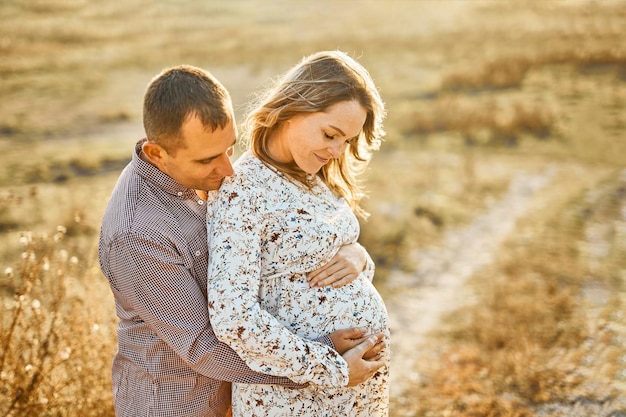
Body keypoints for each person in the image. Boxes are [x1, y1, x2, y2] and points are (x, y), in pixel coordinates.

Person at [98, 64, 386, 417]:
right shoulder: (136, 235)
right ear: (157, 153)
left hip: (231, 398)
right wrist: (327, 364)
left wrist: (355, 254)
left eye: (230, 149)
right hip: (177, 404)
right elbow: (205, 347)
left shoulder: (200, 179)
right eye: (209, 159)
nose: (229, 171)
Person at [206, 50, 390, 416]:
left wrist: (359, 256)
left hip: (353, 396)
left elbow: (318, 265)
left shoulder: (312, 176)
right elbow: (234, 318)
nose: (337, 151)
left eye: (347, 141)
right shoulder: (242, 190)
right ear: (293, 109)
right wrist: (332, 368)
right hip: (294, 400)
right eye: (330, 134)